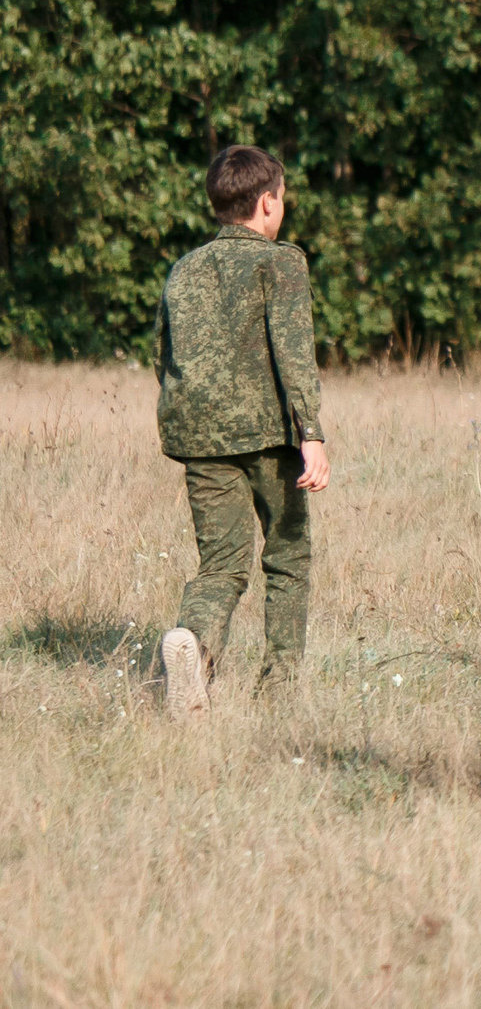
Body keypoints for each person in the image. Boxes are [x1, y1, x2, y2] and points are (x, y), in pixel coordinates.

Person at [155, 145, 330, 717]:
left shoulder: (184, 269)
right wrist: (312, 433)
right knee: (287, 555)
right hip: (269, 436)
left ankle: (195, 653)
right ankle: (279, 690)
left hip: (200, 438)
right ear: (266, 203)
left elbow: (165, 354)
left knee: (222, 564)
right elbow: (294, 353)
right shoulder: (280, 262)